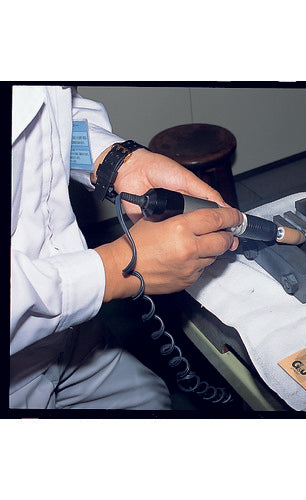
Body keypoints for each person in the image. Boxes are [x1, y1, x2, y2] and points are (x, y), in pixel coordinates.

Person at [10, 85, 242, 409]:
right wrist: (112, 270)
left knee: (149, 398)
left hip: (72, 333)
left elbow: (48, 117)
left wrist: (117, 162)